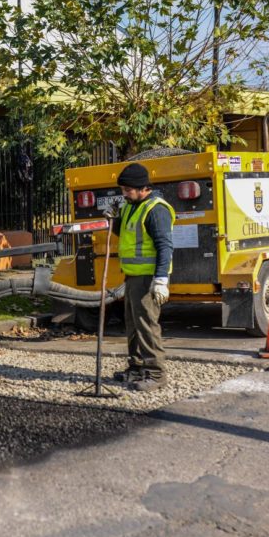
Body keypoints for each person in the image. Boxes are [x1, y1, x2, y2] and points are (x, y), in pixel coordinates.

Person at [111, 162, 175, 391]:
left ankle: (156, 374)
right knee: (133, 324)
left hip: (147, 278)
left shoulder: (156, 210)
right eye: (122, 189)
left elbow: (165, 246)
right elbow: (123, 232)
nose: (124, 194)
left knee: (147, 325)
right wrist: (113, 219)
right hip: (132, 276)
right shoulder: (131, 206)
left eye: (127, 190)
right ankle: (137, 367)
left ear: (142, 188)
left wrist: (161, 280)